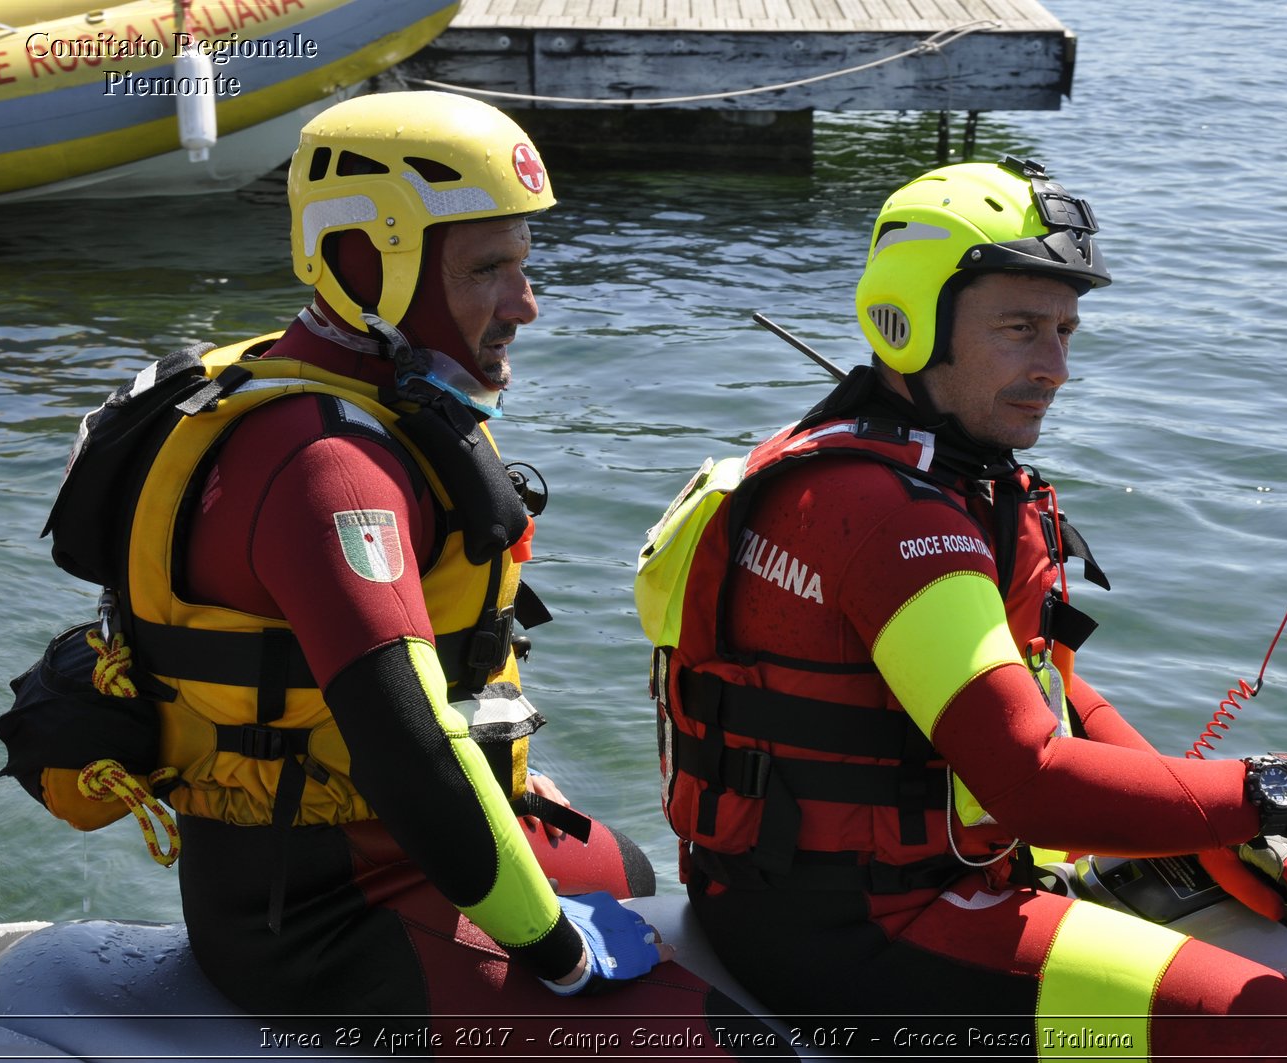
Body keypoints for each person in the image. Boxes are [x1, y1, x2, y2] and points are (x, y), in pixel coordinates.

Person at [633, 156, 1287, 1060]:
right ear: (909, 323)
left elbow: (1051, 692)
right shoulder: (892, 521)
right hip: (858, 931)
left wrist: (1221, 826)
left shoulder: (910, 471)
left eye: (1066, 330)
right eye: (1021, 329)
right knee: (1261, 1018)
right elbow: (1031, 780)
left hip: (815, 890)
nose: (1056, 367)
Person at [47, 90, 777, 1051]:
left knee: (633, 872)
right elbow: (409, 747)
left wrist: (516, 784)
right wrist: (554, 950)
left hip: (377, 845)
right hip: (322, 910)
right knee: (733, 1043)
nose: (525, 304)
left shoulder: (355, 391)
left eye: (524, 264)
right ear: (365, 264)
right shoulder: (326, 464)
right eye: (488, 271)